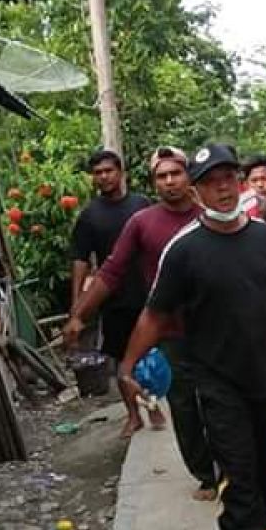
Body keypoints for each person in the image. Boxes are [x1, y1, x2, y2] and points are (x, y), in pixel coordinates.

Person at [117, 143, 266, 530]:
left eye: (229, 177)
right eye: (210, 180)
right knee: (238, 475)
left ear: (241, 182)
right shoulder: (183, 250)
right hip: (217, 380)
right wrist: (127, 367)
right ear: (196, 188)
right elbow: (155, 313)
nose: (222, 187)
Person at [65, 148, 220, 500]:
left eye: (176, 173)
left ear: (188, 176)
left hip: (218, 329)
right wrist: (79, 315)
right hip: (172, 332)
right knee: (183, 404)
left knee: (221, 401)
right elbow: (111, 271)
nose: (169, 181)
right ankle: (206, 475)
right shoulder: (142, 222)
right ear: (154, 182)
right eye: (161, 176)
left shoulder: (212, 216)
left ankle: (231, 467)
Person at [70, 151, 155, 406]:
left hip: (149, 295)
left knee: (155, 355)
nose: (104, 176)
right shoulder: (89, 216)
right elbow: (80, 260)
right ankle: (132, 415)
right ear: (92, 178)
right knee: (121, 359)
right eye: (98, 173)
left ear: (121, 173)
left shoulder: (142, 205)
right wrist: (77, 309)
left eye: (109, 170)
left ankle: (159, 405)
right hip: (114, 298)